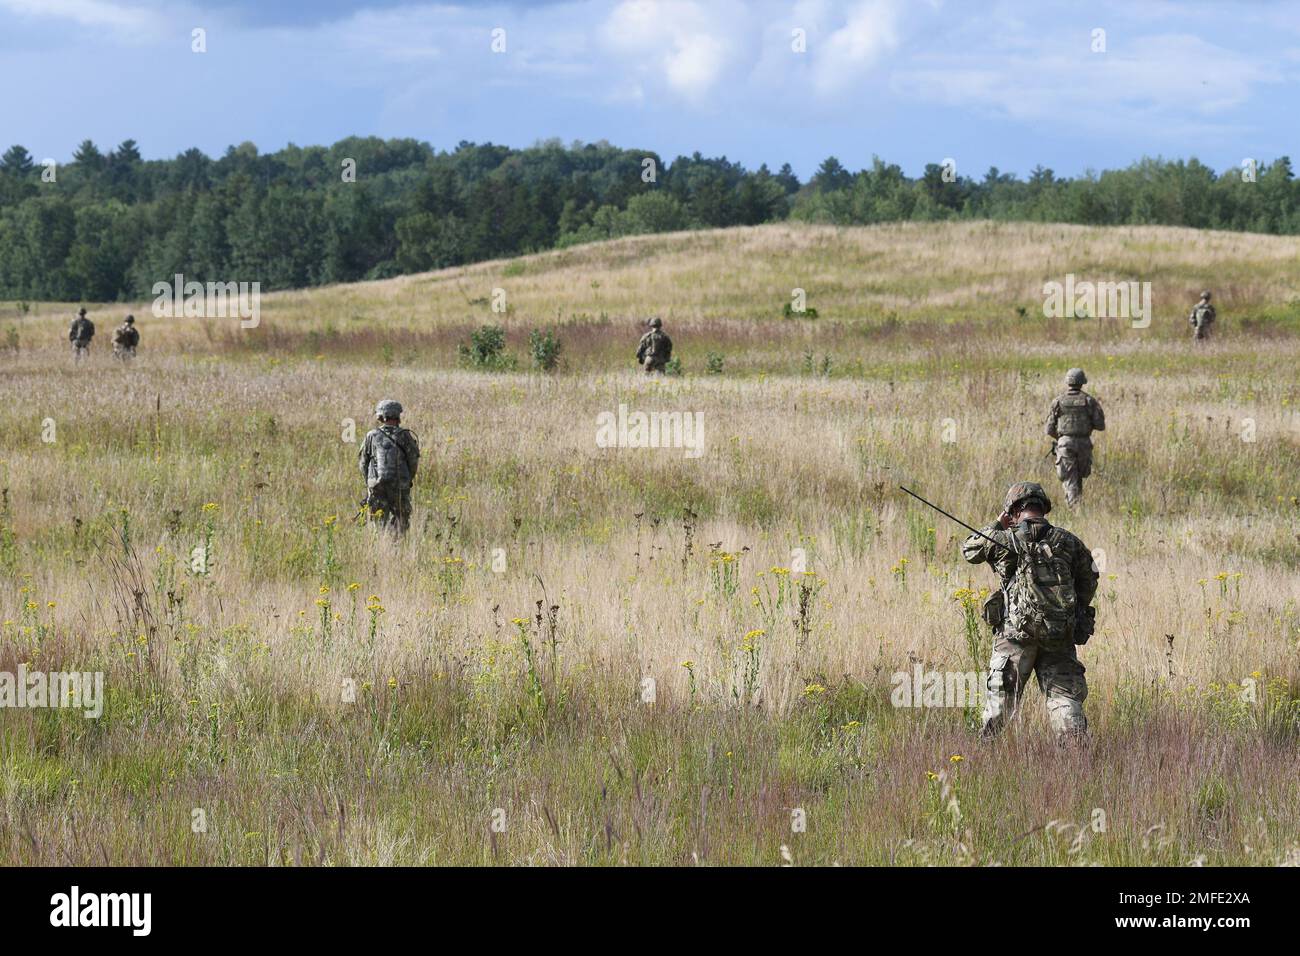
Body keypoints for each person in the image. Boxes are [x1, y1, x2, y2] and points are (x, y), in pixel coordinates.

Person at [961, 482, 1098, 743]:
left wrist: (997, 524)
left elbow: (969, 550)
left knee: (1000, 704)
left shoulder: (1003, 538)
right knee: (1065, 701)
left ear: (1013, 511)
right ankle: (1077, 758)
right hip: (1058, 634)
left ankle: (986, 754)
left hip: (1015, 636)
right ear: (1043, 508)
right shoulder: (1067, 541)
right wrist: (1071, 610)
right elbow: (1090, 577)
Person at [358, 400, 421, 535]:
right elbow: (413, 462)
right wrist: (408, 480)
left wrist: (369, 484)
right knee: (401, 519)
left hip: (377, 486)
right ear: (398, 416)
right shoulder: (405, 435)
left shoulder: (371, 436)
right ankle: (396, 546)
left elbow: (363, 463)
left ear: (380, 417)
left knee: (378, 523)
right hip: (400, 485)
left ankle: (382, 547)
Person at [1045, 368, 1105, 506]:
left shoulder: (1058, 401)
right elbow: (1100, 425)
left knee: (1070, 477)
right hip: (1084, 443)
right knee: (1078, 476)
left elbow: (1049, 429)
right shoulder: (1089, 401)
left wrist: (1061, 439)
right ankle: (1076, 507)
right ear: (1082, 382)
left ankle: (1074, 507)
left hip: (1065, 444)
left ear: (1067, 382)